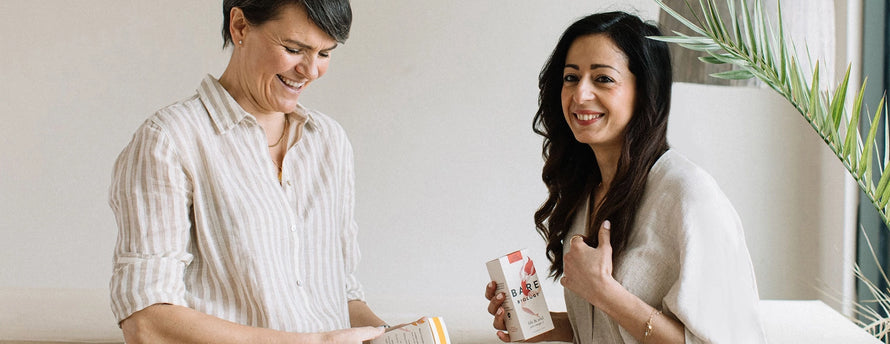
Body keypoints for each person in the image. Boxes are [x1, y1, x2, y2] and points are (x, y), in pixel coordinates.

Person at [108, 1, 390, 343]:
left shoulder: (329, 141)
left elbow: (339, 292)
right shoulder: (171, 140)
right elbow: (147, 320)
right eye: (293, 49)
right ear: (240, 26)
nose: (311, 70)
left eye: (325, 54)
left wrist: (389, 335)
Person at [484, 11, 766, 343]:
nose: (580, 95)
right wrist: (536, 323)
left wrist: (604, 292)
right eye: (571, 78)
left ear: (645, 90)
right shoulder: (587, 190)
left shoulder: (690, 196)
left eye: (602, 79)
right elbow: (604, 328)